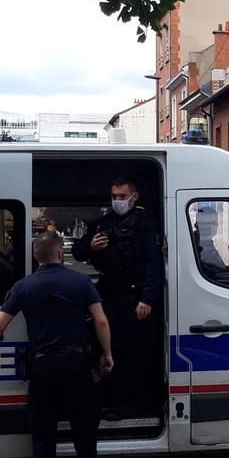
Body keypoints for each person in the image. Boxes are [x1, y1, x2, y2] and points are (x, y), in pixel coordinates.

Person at [0, 232, 113, 458]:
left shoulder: (23, 286)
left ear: (36, 258)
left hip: (43, 368)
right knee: (84, 436)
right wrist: (107, 354)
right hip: (76, 365)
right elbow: (100, 321)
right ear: (60, 254)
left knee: (43, 438)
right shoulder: (81, 282)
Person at [73, 177, 163, 416]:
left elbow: (155, 263)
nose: (117, 201)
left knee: (136, 352)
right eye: (114, 196)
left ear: (134, 197)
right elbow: (77, 251)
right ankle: (113, 400)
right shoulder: (104, 224)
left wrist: (148, 298)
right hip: (110, 295)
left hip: (136, 296)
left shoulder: (145, 223)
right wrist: (91, 246)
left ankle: (136, 403)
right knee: (110, 350)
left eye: (122, 197)